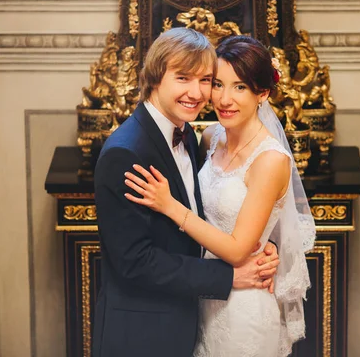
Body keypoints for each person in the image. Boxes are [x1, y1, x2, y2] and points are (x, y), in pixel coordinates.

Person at [91, 28, 280, 357]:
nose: (198, 93)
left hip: (195, 319)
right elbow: (135, 263)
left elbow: (218, 211)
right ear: (154, 78)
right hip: (142, 335)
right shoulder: (126, 152)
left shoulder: (191, 136)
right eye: (183, 78)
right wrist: (228, 277)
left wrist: (263, 243)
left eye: (206, 79)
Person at [124, 35, 316, 357]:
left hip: (243, 306)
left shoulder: (270, 160)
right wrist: (266, 244)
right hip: (202, 295)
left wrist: (171, 207)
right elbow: (210, 209)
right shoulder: (210, 137)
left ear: (263, 93)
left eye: (239, 87)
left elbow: (240, 249)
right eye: (217, 84)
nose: (224, 99)